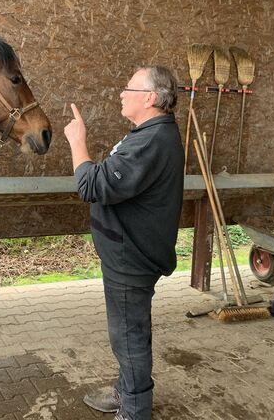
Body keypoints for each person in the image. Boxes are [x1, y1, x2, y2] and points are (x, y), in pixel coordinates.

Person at [63, 66, 184, 420]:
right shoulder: (148, 134)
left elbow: (92, 186)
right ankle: (126, 391)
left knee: (128, 337)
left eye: (128, 88)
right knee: (129, 333)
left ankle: (134, 410)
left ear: (150, 97)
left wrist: (77, 140)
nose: (121, 93)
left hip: (132, 258)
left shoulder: (151, 141)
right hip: (125, 252)